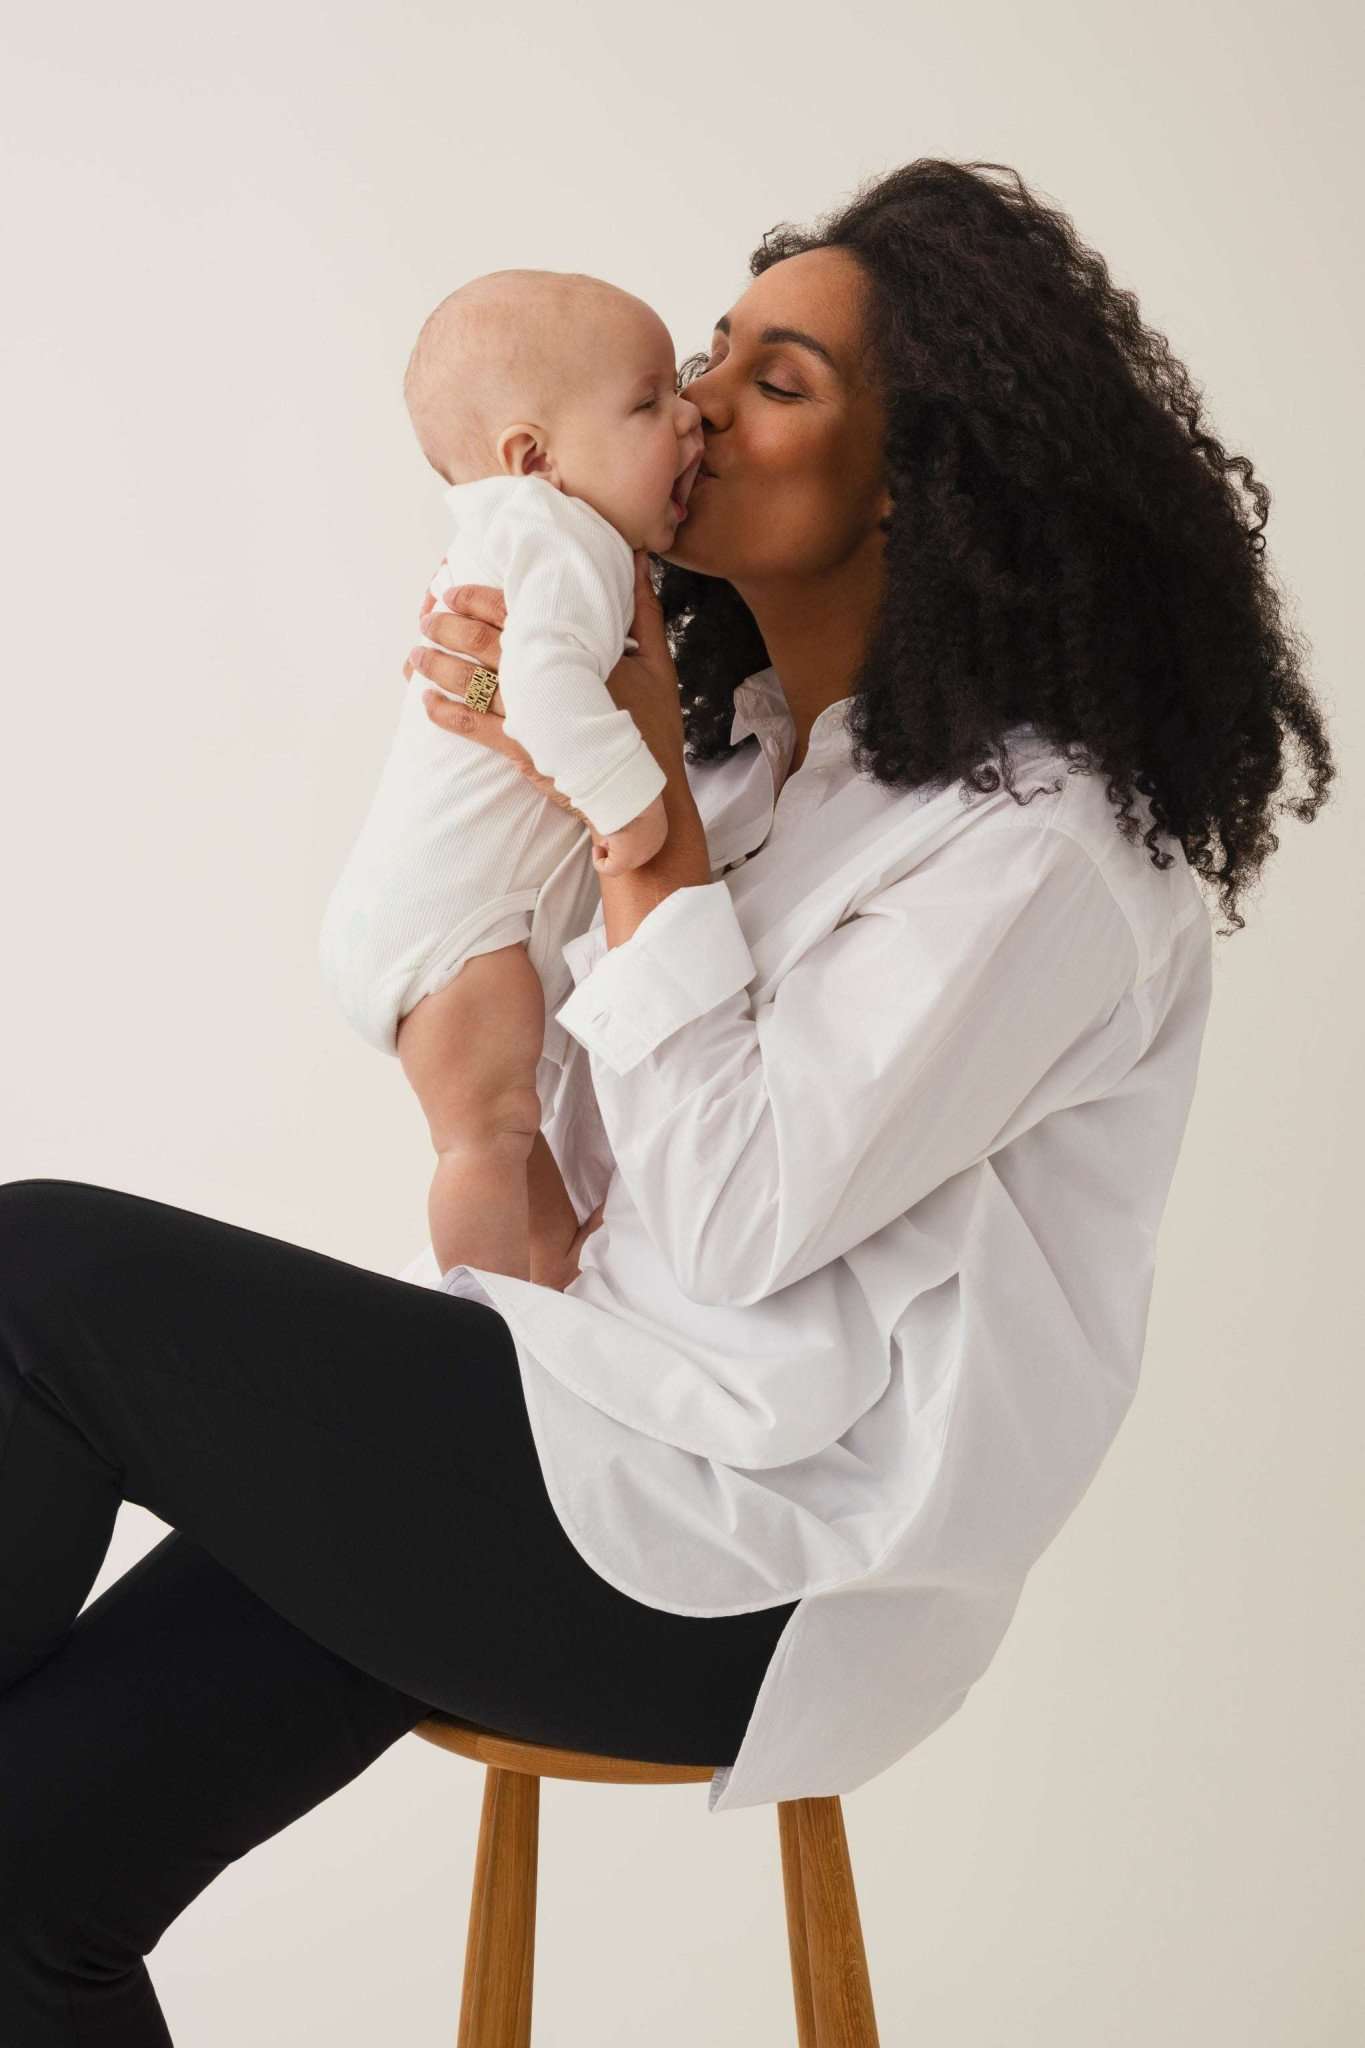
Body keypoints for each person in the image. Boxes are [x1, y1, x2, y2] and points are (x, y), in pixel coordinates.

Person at [0, 157, 1335, 2042]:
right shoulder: (760, 766)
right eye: (711, 348)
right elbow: (558, 1154)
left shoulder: (1046, 851)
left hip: (744, 1564)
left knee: (30, 1274)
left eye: (775, 378)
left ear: (919, 478)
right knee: (23, 1868)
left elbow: (719, 1224)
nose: (697, 398)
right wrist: (499, 809)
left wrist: (638, 840)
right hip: (578, 1429)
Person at [318, 268, 707, 1289]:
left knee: (504, 1121)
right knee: (483, 1136)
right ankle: (477, 1320)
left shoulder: (522, 535)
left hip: (426, 913)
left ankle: (548, 1256)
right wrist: (631, 801)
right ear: (534, 457)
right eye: (651, 400)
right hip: (452, 923)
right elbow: (537, 687)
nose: (692, 417)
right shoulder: (569, 540)